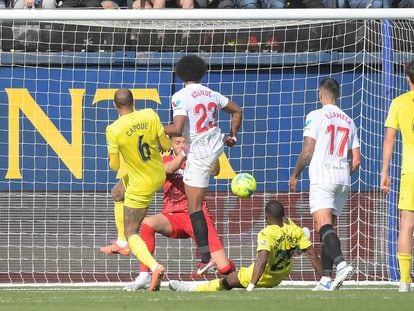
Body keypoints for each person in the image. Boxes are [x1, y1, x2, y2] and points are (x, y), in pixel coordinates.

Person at [101, 135, 236, 290]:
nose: (181, 145)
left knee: (224, 268)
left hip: (198, 216)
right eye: (178, 142)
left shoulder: (197, 160)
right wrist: (184, 153)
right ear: (171, 145)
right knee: (146, 224)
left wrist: (209, 152)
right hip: (173, 216)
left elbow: (215, 171)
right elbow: (170, 168)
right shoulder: (164, 161)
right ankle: (144, 276)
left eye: (185, 142)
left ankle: (239, 277)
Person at [164, 54, 243, 278]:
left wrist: (154, 127)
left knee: (194, 208)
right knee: (196, 204)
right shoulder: (211, 93)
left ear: (180, 73)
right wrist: (233, 137)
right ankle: (209, 256)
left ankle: (207, 258)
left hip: (199, 153)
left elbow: (178, 128)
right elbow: (237, 110)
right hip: (215, 145)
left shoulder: (180, 96)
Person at [288, 78, 360, 291]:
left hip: (323, 176)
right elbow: (356, 160)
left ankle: (342, 264)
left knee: (323, 227)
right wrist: (342, 172)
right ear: (337, 95)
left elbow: (307, 150)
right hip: (343, 178)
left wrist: (295, 174)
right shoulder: (349, 119)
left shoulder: (316, 115)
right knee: (327, 229)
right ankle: (326, 279)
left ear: (320, 94)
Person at [169, 200, 322, 292]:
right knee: (300, 239)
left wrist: (251, 285)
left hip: (265, 276)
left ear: (266, 217)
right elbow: (313, 254)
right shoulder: (294, 228)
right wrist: (325, 279)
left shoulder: (266, 233)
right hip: (283, 273)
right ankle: (294, 248)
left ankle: (190, 288)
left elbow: (262, 260)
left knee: (228, 281)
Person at [105, 88, 171, 291]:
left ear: (115, 106)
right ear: (134, 102)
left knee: (133, 230)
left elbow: (115, 166)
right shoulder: (150, 114)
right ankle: (121, 242)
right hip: (156, 172)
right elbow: (166, 144)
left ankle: (154, 267)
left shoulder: (113, 129)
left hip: (141, 183)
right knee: (117, 193)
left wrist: (114, 157)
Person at [381, 60, 414, 293]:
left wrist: (384, 172)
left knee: (407, 225)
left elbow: (389, 139)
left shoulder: (399, 103)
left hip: (410, 171)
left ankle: (404, 281)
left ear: (407, 78)